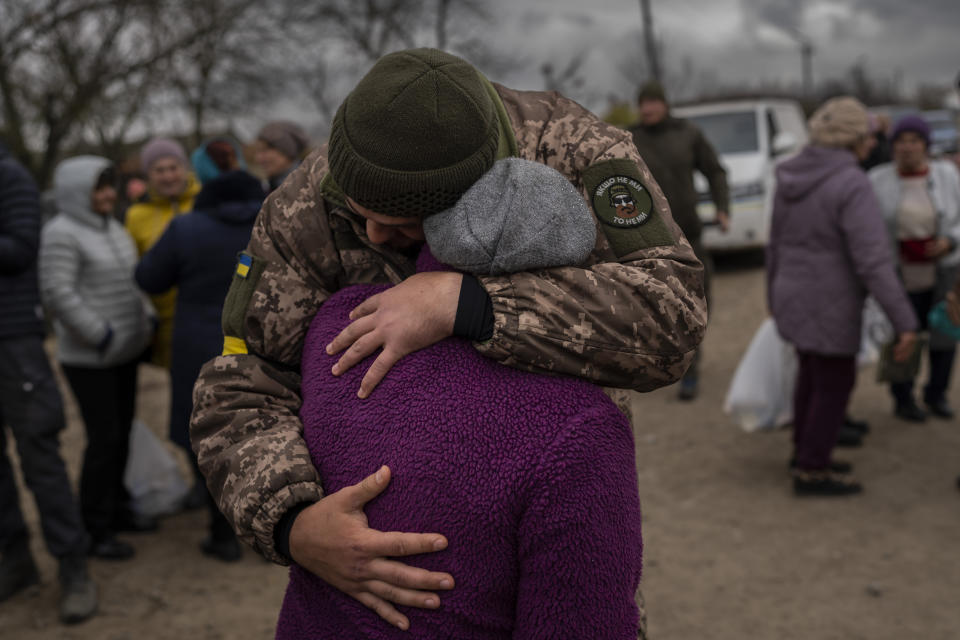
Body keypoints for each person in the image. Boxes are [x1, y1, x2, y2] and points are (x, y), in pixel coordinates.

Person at [191, 48, 704, 631]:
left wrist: (471, 304)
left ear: (480, 191)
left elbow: (672, 314)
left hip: (550, 490)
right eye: (361, 215)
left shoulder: (570, 150)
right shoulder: (302, 204)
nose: (377, 234)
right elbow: (240, 377)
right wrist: (294, 522)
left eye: (404, 221)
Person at [767, 97, 918, 496]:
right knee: (834, 381)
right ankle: (813, 470)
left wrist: (772, 297)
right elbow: (873, 261)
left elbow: (775, 244)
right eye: (867, 135)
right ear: (853, 139)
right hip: (831, 299)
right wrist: (905, 321)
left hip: (793, 293)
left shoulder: (790, 176)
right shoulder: (852, 182)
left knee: (811, 374)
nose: (872, 142)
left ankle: (804, 451)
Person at [136, 139, 265, 562]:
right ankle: (271, 527)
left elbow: (150, 278)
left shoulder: (187, 227)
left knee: (207, 433)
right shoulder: (273, 224)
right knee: (265, 428)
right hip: (262, 339)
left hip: (198, 345)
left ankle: (221, 533)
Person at [39, 156, 156, 559]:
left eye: (111, 186)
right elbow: (59, 294)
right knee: (103, 440)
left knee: (121, 433)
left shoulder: (114, 227)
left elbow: (132, 280)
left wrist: (148, 317)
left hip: (124, 353)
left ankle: (119, 509)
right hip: (90, 359)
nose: (109, 194)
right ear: (76, 193)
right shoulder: (61, 233)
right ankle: (94, 527)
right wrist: (101, 336)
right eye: (98, 188)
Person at [0, 143, 97, 623]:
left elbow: (19, 250)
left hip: (13, 340)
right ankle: (15, 561)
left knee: (39, 452)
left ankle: (72, 566)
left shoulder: (10, 177)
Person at [628, 80, 730, 401]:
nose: (648, 109)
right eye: (643, 103)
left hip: (689, 235)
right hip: (647, 238)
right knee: (654, 306)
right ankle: (661, 363)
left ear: (664, 104)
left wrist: (723, 207)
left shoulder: (688, 134)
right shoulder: (629, 139)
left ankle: (691, 369)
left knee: (694, 304)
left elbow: (715, 171)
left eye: (653, 102)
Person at [869, 115, 960, 422]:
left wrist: (950, 240)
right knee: (903, 334)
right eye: (901, 141)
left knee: (944, 333)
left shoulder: (947, 174)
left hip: (942, 270)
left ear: (926, 146)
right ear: (892, 146)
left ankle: (937, 394)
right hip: (899, 272)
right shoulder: (878, 179)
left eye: (914, 141)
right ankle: (903, 397)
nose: (907, 148)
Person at [125, 138, 201, 368]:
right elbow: (136, 266)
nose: (168, 176)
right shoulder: (136, 215)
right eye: (159, 170)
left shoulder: (203, 201)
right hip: (167, 322)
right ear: (148, 175)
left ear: (185, 169)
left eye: (173, 168)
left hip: (209, 314)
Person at [255, 121, 310, 192]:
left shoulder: (315, 185)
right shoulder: (266, 188)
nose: (258, 158)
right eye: (257, 151)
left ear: (287, 150)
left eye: (265, 150)